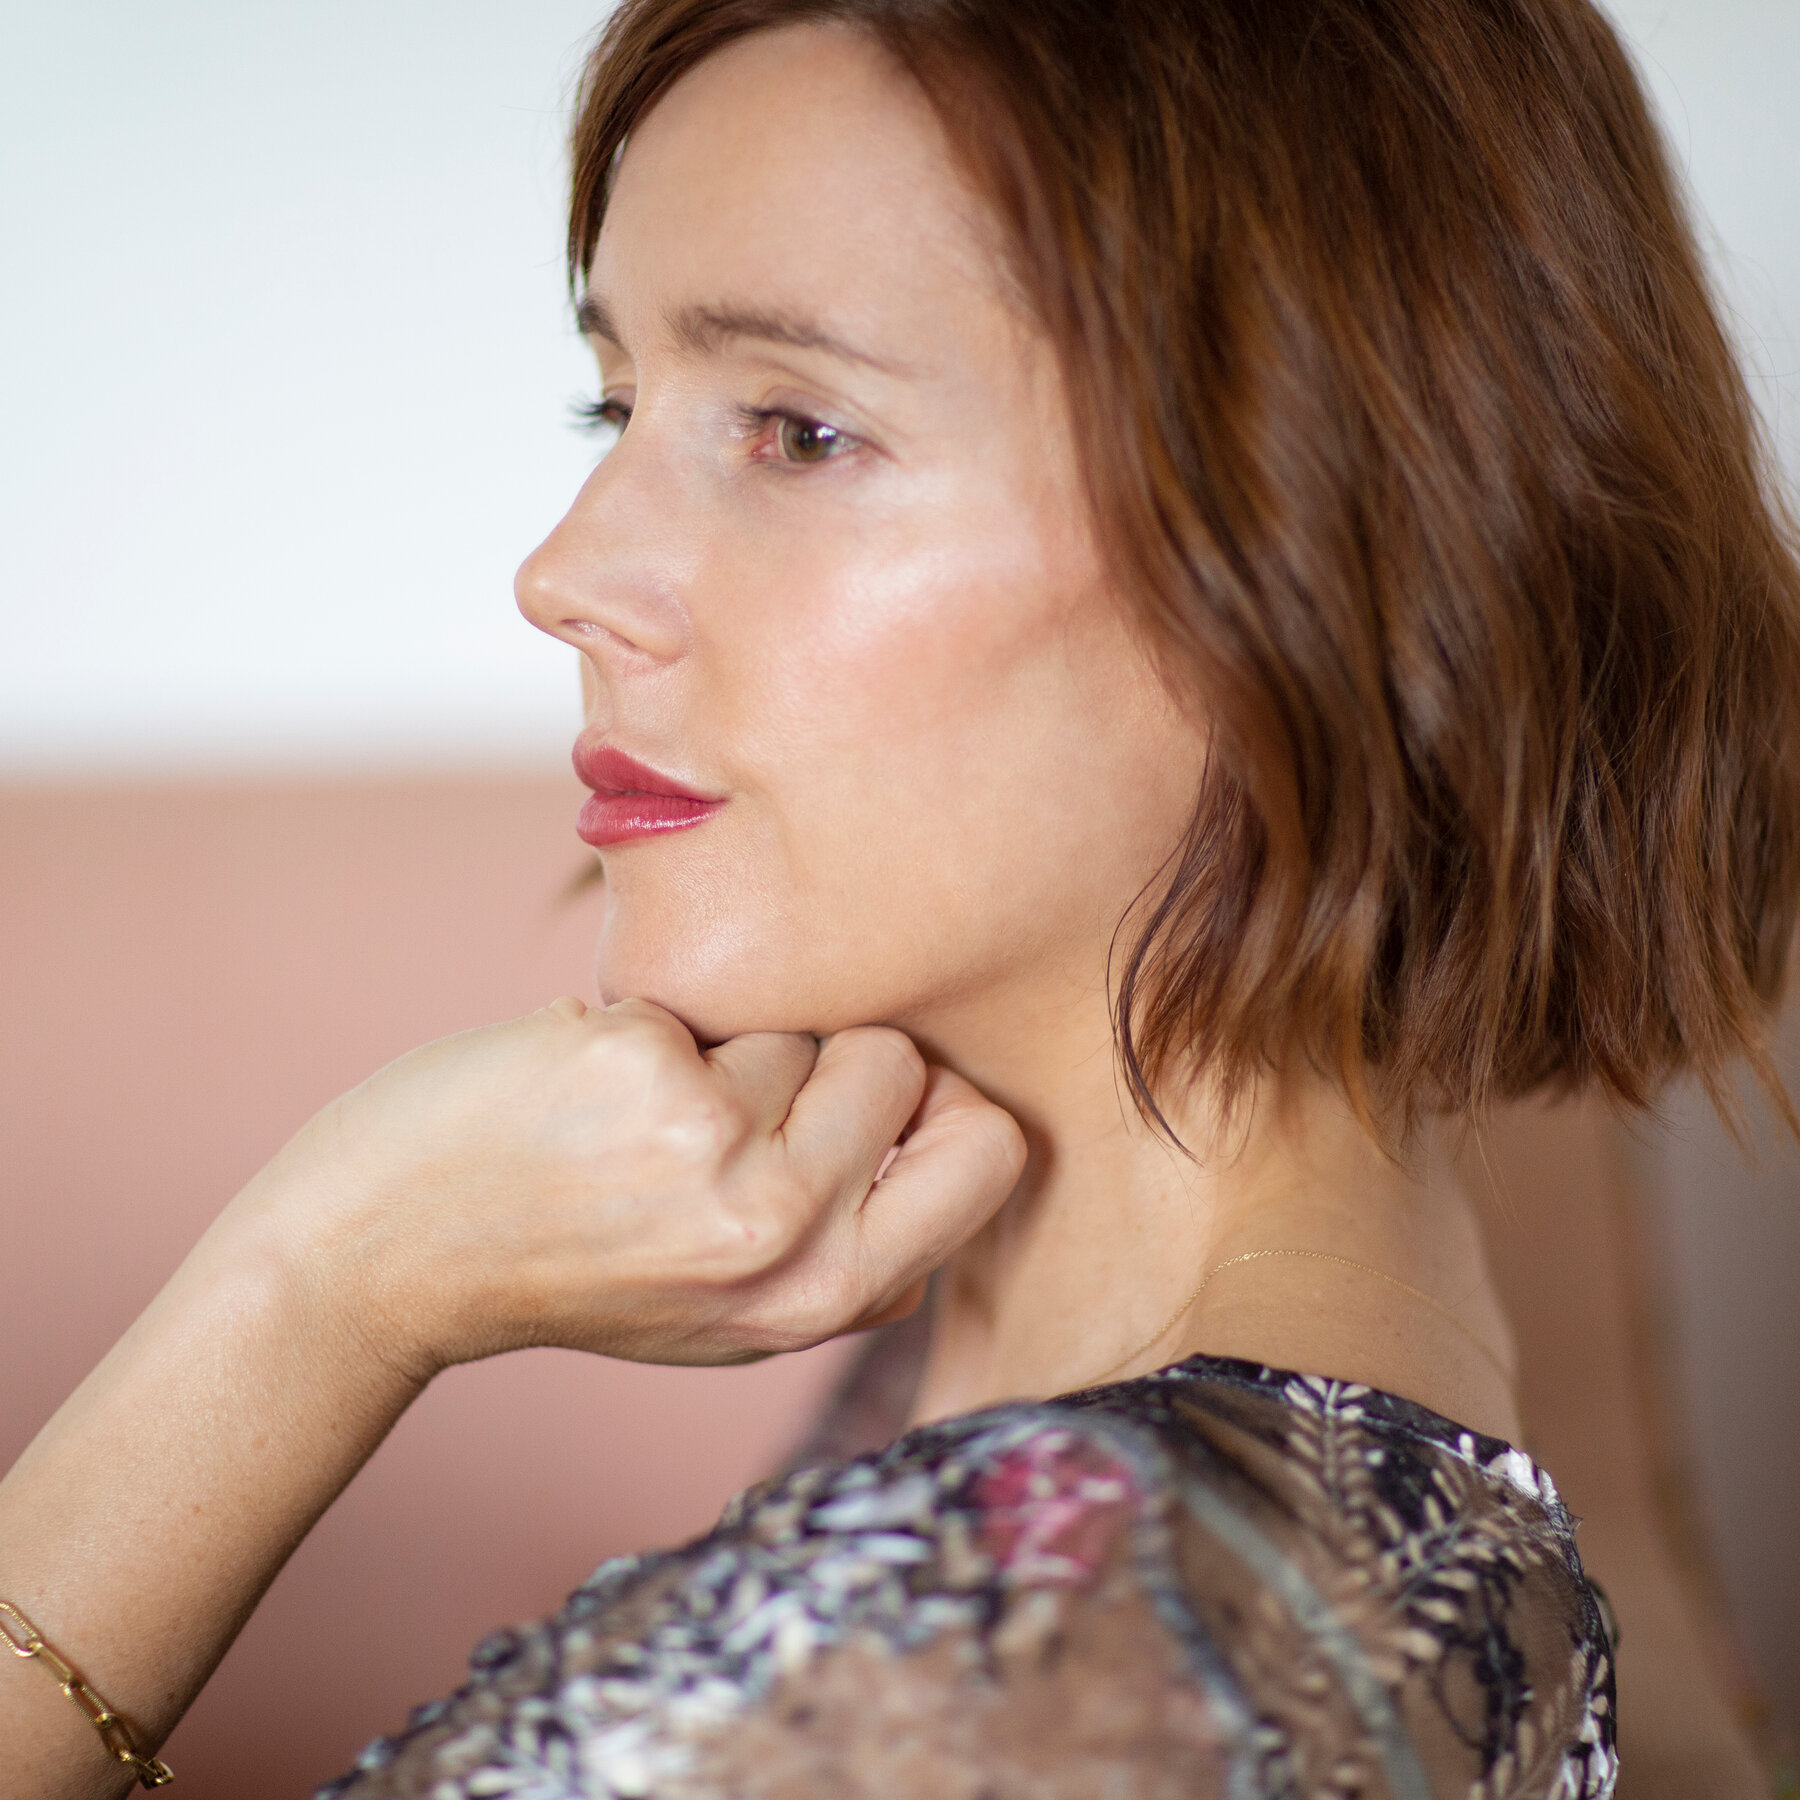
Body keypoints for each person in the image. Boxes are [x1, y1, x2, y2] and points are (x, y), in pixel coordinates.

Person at [4, 0, 1797, 1794]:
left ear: (1326, 541)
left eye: (796, 429)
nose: (561, 576)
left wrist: (326, 1281)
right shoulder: (1358, 1261)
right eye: (614, 402)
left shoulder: (1035, 1646)